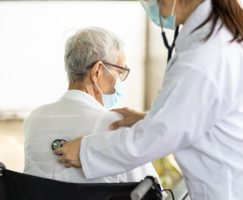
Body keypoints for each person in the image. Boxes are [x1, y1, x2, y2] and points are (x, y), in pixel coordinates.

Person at [55, 0, 243, 199]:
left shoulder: (205, 55)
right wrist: (149, 118)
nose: (150, 4)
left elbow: (156, 137)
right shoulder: (228, 27)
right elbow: (204, 111)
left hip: (240, 190)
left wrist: (86, 152)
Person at [23, 27, 159, 183]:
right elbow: (152, 190)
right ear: (97, 72)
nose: (120, 81)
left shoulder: (34, 120)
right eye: (120, 72)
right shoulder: (118, 126)